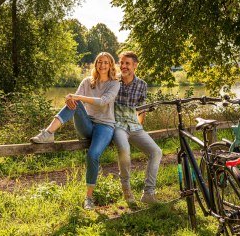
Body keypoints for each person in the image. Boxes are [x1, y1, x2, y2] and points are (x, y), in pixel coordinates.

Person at [30, 52, 120, 210]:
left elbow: (103, 102)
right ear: (96, 64)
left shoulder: (114, 83)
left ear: (111, 65)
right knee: (74, 102)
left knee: (92, 155)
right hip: (87, 124)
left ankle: (89, 198)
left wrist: (77, 97)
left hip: (105, 126)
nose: (102, 65)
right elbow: (74, 99)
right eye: (99, 62)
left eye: (106, 62)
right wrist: (69, 99)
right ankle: (48, 133)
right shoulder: (87, 82)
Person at [113, 51, 162, 204]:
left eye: (127, 63)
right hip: (118, 125)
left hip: (134, 126)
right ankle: (127, 190)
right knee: (125, 149)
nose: (124, 66)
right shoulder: (113, 81)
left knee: (156, 152)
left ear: (135, 65)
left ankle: (148, 193)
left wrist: (139, 129)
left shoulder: (142, 85)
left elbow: (142, 109)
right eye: (122, 63)